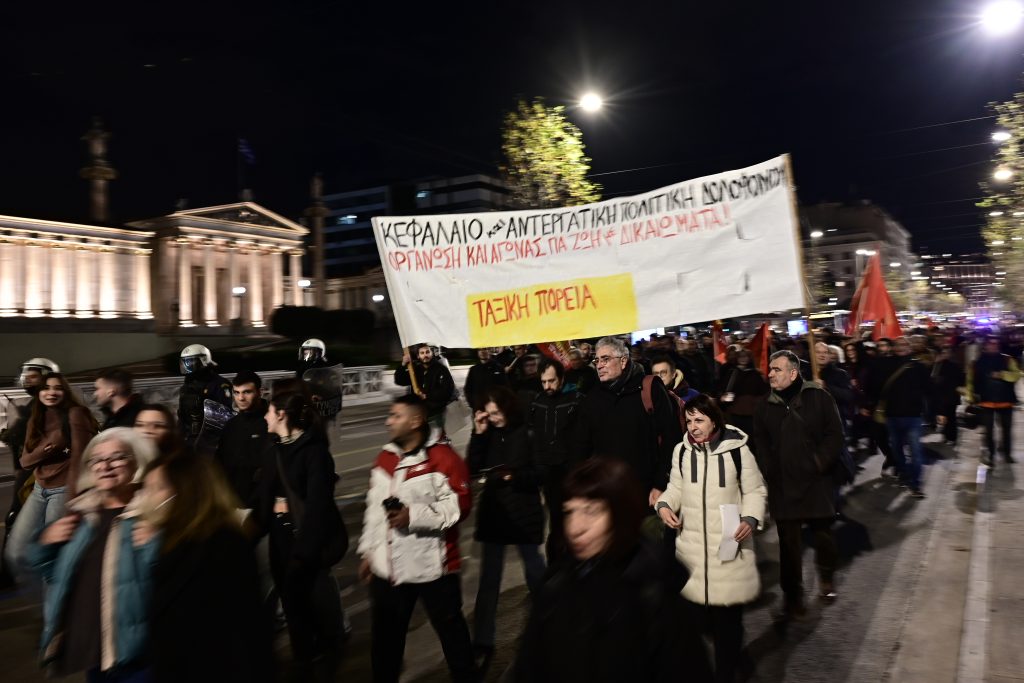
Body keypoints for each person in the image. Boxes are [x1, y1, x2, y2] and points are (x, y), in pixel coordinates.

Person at [512, 458, 712, 683]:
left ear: (620, 514)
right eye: (570, 512)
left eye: (591, 511)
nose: (576, 527)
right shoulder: (555, 585)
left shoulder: (655, 594)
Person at [358, 395, 475, 683]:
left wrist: (413, 516)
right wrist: (369, 551)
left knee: (453, 639)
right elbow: (373, 510)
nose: (389, 422)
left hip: (434, 569)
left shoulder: (444, 458)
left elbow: (460, 506)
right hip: (389, 572)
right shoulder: (384, 458)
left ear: (416, 421)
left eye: (396, 416)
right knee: (385, 644)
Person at [26, 428, 158, 681]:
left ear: (136, 462)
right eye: (97, 460)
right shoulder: (83, 514)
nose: (105, 466)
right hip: (93, 651)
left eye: (116, 457)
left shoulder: (150, 513)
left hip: (136, 654)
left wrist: (155, 543)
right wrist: (44, 544)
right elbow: (56, 577)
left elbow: (169, 579)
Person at [656, 395, 767, 683]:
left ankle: (726, 674)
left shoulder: (737, 451)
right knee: (694, 626)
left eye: (699, 420)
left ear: (714, 421)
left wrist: (750, 518)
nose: (693, 427)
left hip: (728, 551)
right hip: (691, 554)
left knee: (727, 626)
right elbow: (675, 488)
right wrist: (665, 505)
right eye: (689, 420)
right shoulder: (681, 451)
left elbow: (755, 490)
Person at [137, 452, 273, 683]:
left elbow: (244, 632)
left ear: (184, 492)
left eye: (156, 488)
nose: (145, 497)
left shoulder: (222, 545)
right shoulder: (173, 542)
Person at [251, 390, 347, 679]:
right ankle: (303, 660)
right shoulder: (273, 450)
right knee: (293, 609)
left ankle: (329, 658)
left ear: (281, 415)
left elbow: (318, 506)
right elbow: (264, 499)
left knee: (317, 609)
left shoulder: (314, 452)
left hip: (307, 546)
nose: (265, 416)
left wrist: (303, 554)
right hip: (280, 542)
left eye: (269, 411)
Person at [753, 350, 843, 620]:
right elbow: (761, 444)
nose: (770, 374)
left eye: (777, 369)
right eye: (770, 369)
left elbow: (835, 435)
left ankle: (826, 578)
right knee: (789, 546)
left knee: (823, 536)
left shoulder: (819, 396)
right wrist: (770, 471)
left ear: (793, 373)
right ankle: (793, 596)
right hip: (783, 485)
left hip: (817, 482)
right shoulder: (764, 405)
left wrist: (818, 463)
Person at [469, 386, 546, 670]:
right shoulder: (486, 433)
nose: (494, 418)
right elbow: (472, 467)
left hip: (524, 513)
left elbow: (541, 473)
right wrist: (478, 434)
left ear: (508, 408)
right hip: (495, 514)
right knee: (489, 582)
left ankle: (549, 626)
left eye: (497, 413)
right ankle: (483, 641)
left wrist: (513, 476)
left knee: (535, 573)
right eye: (489, 414)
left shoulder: (527, 432)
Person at [5, 373, 99, 581]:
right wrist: (50, 448)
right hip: (40, 488)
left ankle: (56, 595)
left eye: (57, 388)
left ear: (65, 392)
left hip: (63, 490)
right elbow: (25, 461)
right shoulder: (37, 417)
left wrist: (72, 502)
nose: (51, 392)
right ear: (39, 392)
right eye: (46, 388)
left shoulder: (76, 413)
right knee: (16, 551)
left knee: (53, 554)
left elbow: (80, 460)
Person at [577, 336, 682, 506]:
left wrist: (660, 483)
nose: (599, 365)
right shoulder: (592, 398)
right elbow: (582, 446)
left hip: (647, 491)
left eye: (606, 359)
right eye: (597, 360)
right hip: (607, 491)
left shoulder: (650, 388)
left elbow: (671, 437)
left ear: (623, 361)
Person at [1, 357, 57, 586]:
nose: (27, 380)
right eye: (27, 376)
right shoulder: (30, 406)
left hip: (39, 474)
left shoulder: (49, 407)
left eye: (33, 376)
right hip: (26, 471)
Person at [528, 359, 581, 561]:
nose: (547, 386)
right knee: (556, 522)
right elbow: (535, 438)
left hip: (570, 471)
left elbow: (581, 439)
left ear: (561, 379)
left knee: (573, 520)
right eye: (543, 382)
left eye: (551, 381)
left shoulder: (575, 400)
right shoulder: (538, 402)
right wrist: (539, 466)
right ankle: (557, 564)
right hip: (549, 473)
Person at [877, 337, 932, 497]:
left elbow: (929, 390)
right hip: (892, 416)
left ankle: (915, 484)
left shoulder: (918, 367)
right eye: (898, 344)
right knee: (896, 450)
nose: (901, 347)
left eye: (904, 344)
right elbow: (878, 387)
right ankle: (903, 473)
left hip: (913, 417)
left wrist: (937, 412)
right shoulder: (886, 365)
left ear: (910, 347)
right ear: (893, 347)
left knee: (916, 452)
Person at [215, 370, 270, 506]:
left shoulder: (271, 422)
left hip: (264, 502)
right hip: (234, 503)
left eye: (247, 392)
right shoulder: (231, 425)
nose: (241, 398)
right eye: (236, 392)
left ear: (260, 392)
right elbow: (220, 465)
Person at [968, 336, 1020, 467]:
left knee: (1006, 430)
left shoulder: (1007, 359)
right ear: (985, 345)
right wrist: (970, 397)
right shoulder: (977, 362)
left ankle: (1007, 453)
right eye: (990, 343)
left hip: (1005, 401)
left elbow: (1017, 375)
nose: (993, 346)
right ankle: (990, 455)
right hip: (986, 402)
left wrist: (1003, 375)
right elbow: (970, 381)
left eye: (995, 343)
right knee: (989, 431)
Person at [176, 344, 232, 446]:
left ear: (204, 360)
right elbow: (182, 417)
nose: (187, 366)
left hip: (211, 440)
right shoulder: (186, 387)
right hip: (190, 439)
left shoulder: (219, 384)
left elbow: (226, 415)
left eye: (191, 362)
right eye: (185, 362)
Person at [395, 343, 456, 432]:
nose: (425, 355)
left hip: (436, 414)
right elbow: (399, 380)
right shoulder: (415, 370)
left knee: (436, 438)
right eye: (422, 353)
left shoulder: (441, 369)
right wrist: (403, 364)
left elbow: (447, 390)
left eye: (427, 352)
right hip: (419, 415)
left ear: (432, 353)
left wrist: (427, 396)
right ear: (418, 356)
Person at [716, 347, 769, 442]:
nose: (743, 359)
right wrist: (722, 397)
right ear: (736, 358)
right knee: (737, 435)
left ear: (749, 358)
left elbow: (763, 391)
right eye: (740, 357)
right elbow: (723, 389)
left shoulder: (755, 374)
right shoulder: (732, 372)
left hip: (752, 410)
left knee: (752, 436)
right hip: (735, 409)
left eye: (745, 356)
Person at [932, 344, 965, 447]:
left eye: (947, 352)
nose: (945, 354)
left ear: (950, 354)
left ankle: (952, 438)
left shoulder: (955, 365)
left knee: (951, 417)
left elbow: (961, 379)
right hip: (940, 395)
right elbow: (932, 377)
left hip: (951, 395)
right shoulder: (937, 364)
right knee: (943, 416)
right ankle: (946, 435)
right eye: (943, 352)